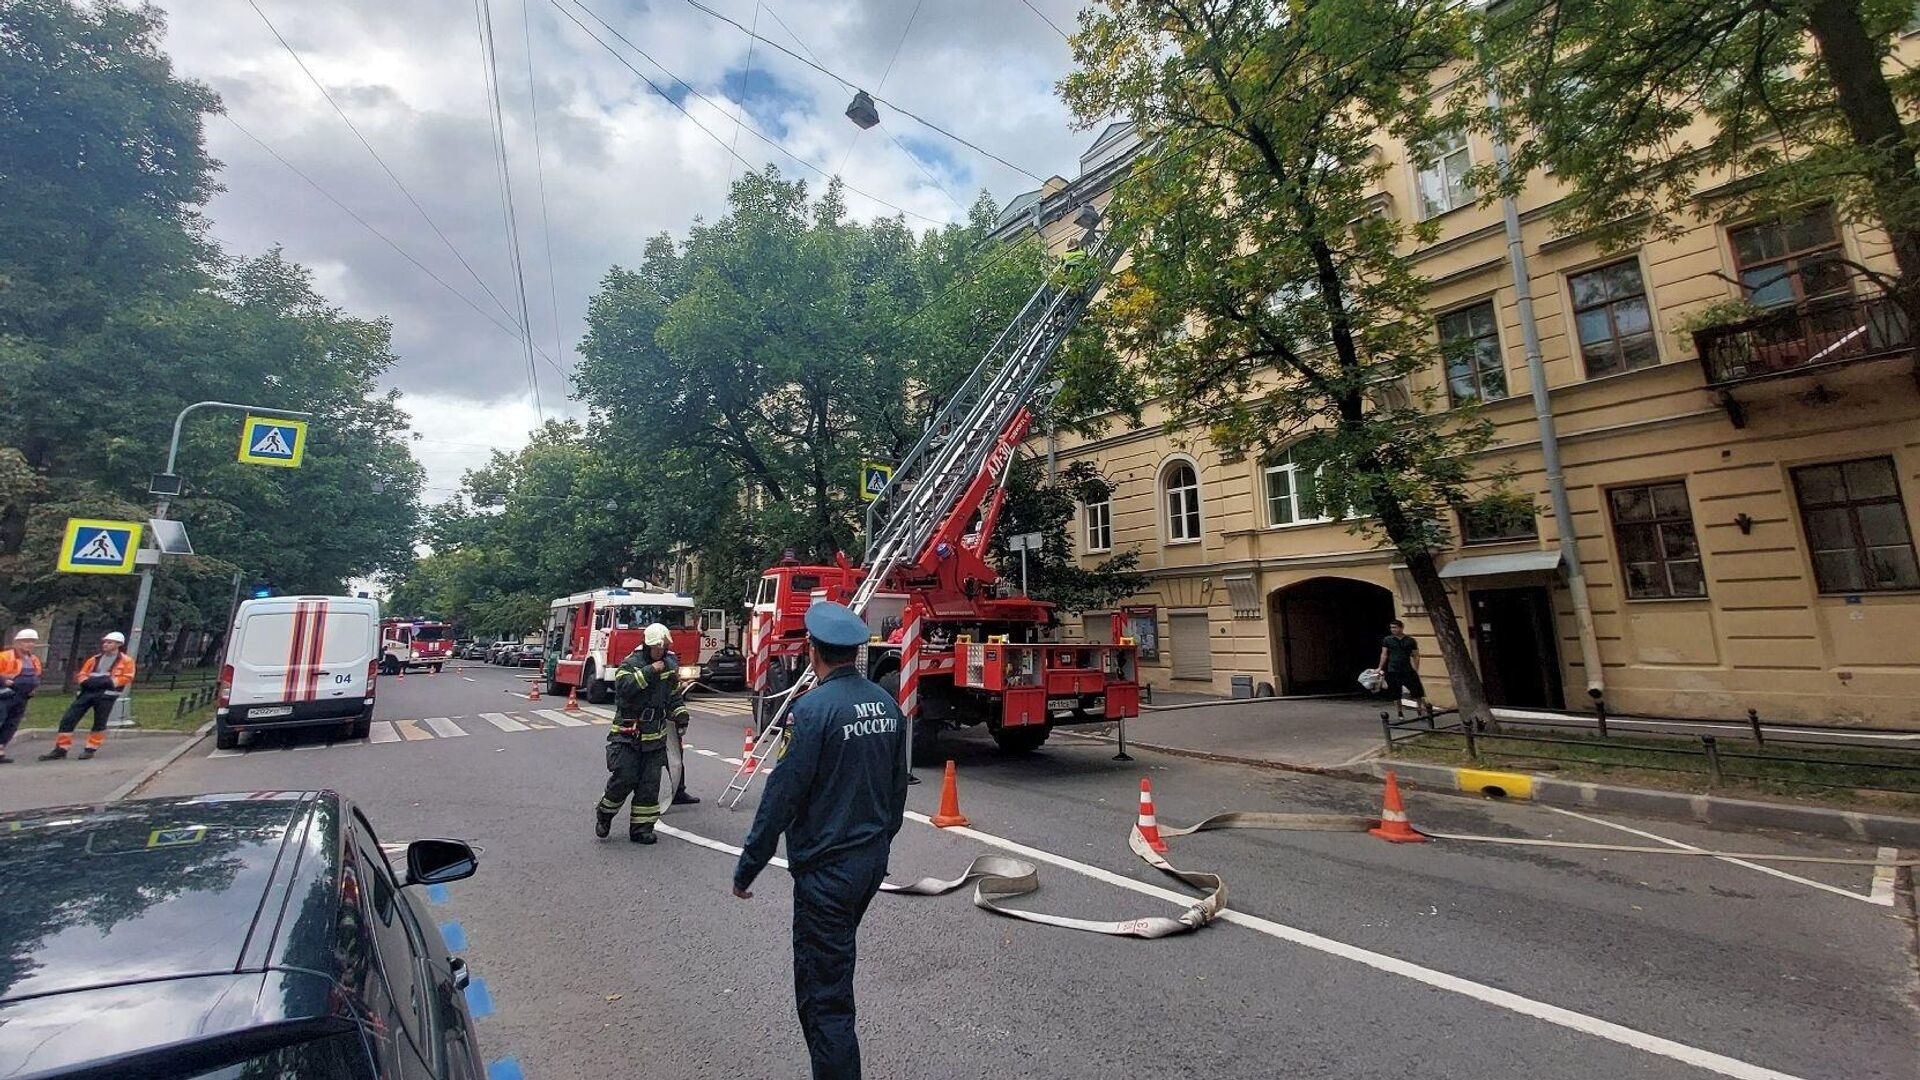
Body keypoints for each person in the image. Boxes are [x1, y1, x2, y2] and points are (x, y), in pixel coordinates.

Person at [732, 601, 909, 1080]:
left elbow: (781, 798)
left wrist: (748, 866)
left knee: (824, 1000)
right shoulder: (888, 705)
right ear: (855, 651)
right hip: (868, 866)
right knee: (833, 971)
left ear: (812, 651)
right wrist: (877, 849)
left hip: (827, 876)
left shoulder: (810, 710)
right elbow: (897, 792)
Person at [594, 623, 689, 843]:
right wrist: (650, 671)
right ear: (646, 645)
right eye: (657, 647)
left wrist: (680, 713)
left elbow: (673, 695)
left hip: (655, 737)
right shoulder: (631, 663)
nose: (661, 651)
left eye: (663, 647)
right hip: (628, 735)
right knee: (624, 779)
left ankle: (641, 829)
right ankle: (604, 813)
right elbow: (624, 689)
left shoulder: (669, 664)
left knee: (649, 785)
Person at [42, 631, 135, 760]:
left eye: (109, 642)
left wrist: (107, 682)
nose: (105, 644)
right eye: (105, 642)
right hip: (87, 692)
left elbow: (127, 677)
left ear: (118, 644)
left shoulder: (126, 661)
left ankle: (90, 749)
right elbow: (82, 675)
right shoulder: (95, 659)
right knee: (68, 719)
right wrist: (88, 682)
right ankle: (61, 749)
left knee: (99, 722)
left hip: (107, 695)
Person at [0, 629, 44, 764]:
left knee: (12, 723)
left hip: (22, 696)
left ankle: (0, 749)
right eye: (26, 641)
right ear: (17, 642)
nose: (30, 644)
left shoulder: (33, 659)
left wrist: (33, 688)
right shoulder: (5, 656)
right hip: (4, 694)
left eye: (32, 642)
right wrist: (4, 681)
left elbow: (36, 675)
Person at [1376, 619, 1427, 718]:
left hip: (1407, 669)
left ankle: (1419, 709)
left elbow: (1415, 655)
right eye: (1391, 628)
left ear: (1401, 628)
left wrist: (1416, 668)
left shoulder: (1410, 640)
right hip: (1393, 669)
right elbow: (1384, 654)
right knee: (1396, 693)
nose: (1393, 629)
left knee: (1417, 691)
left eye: (1395, 627)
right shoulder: (1388, 640)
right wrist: (1380, 667)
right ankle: (1399, 712)